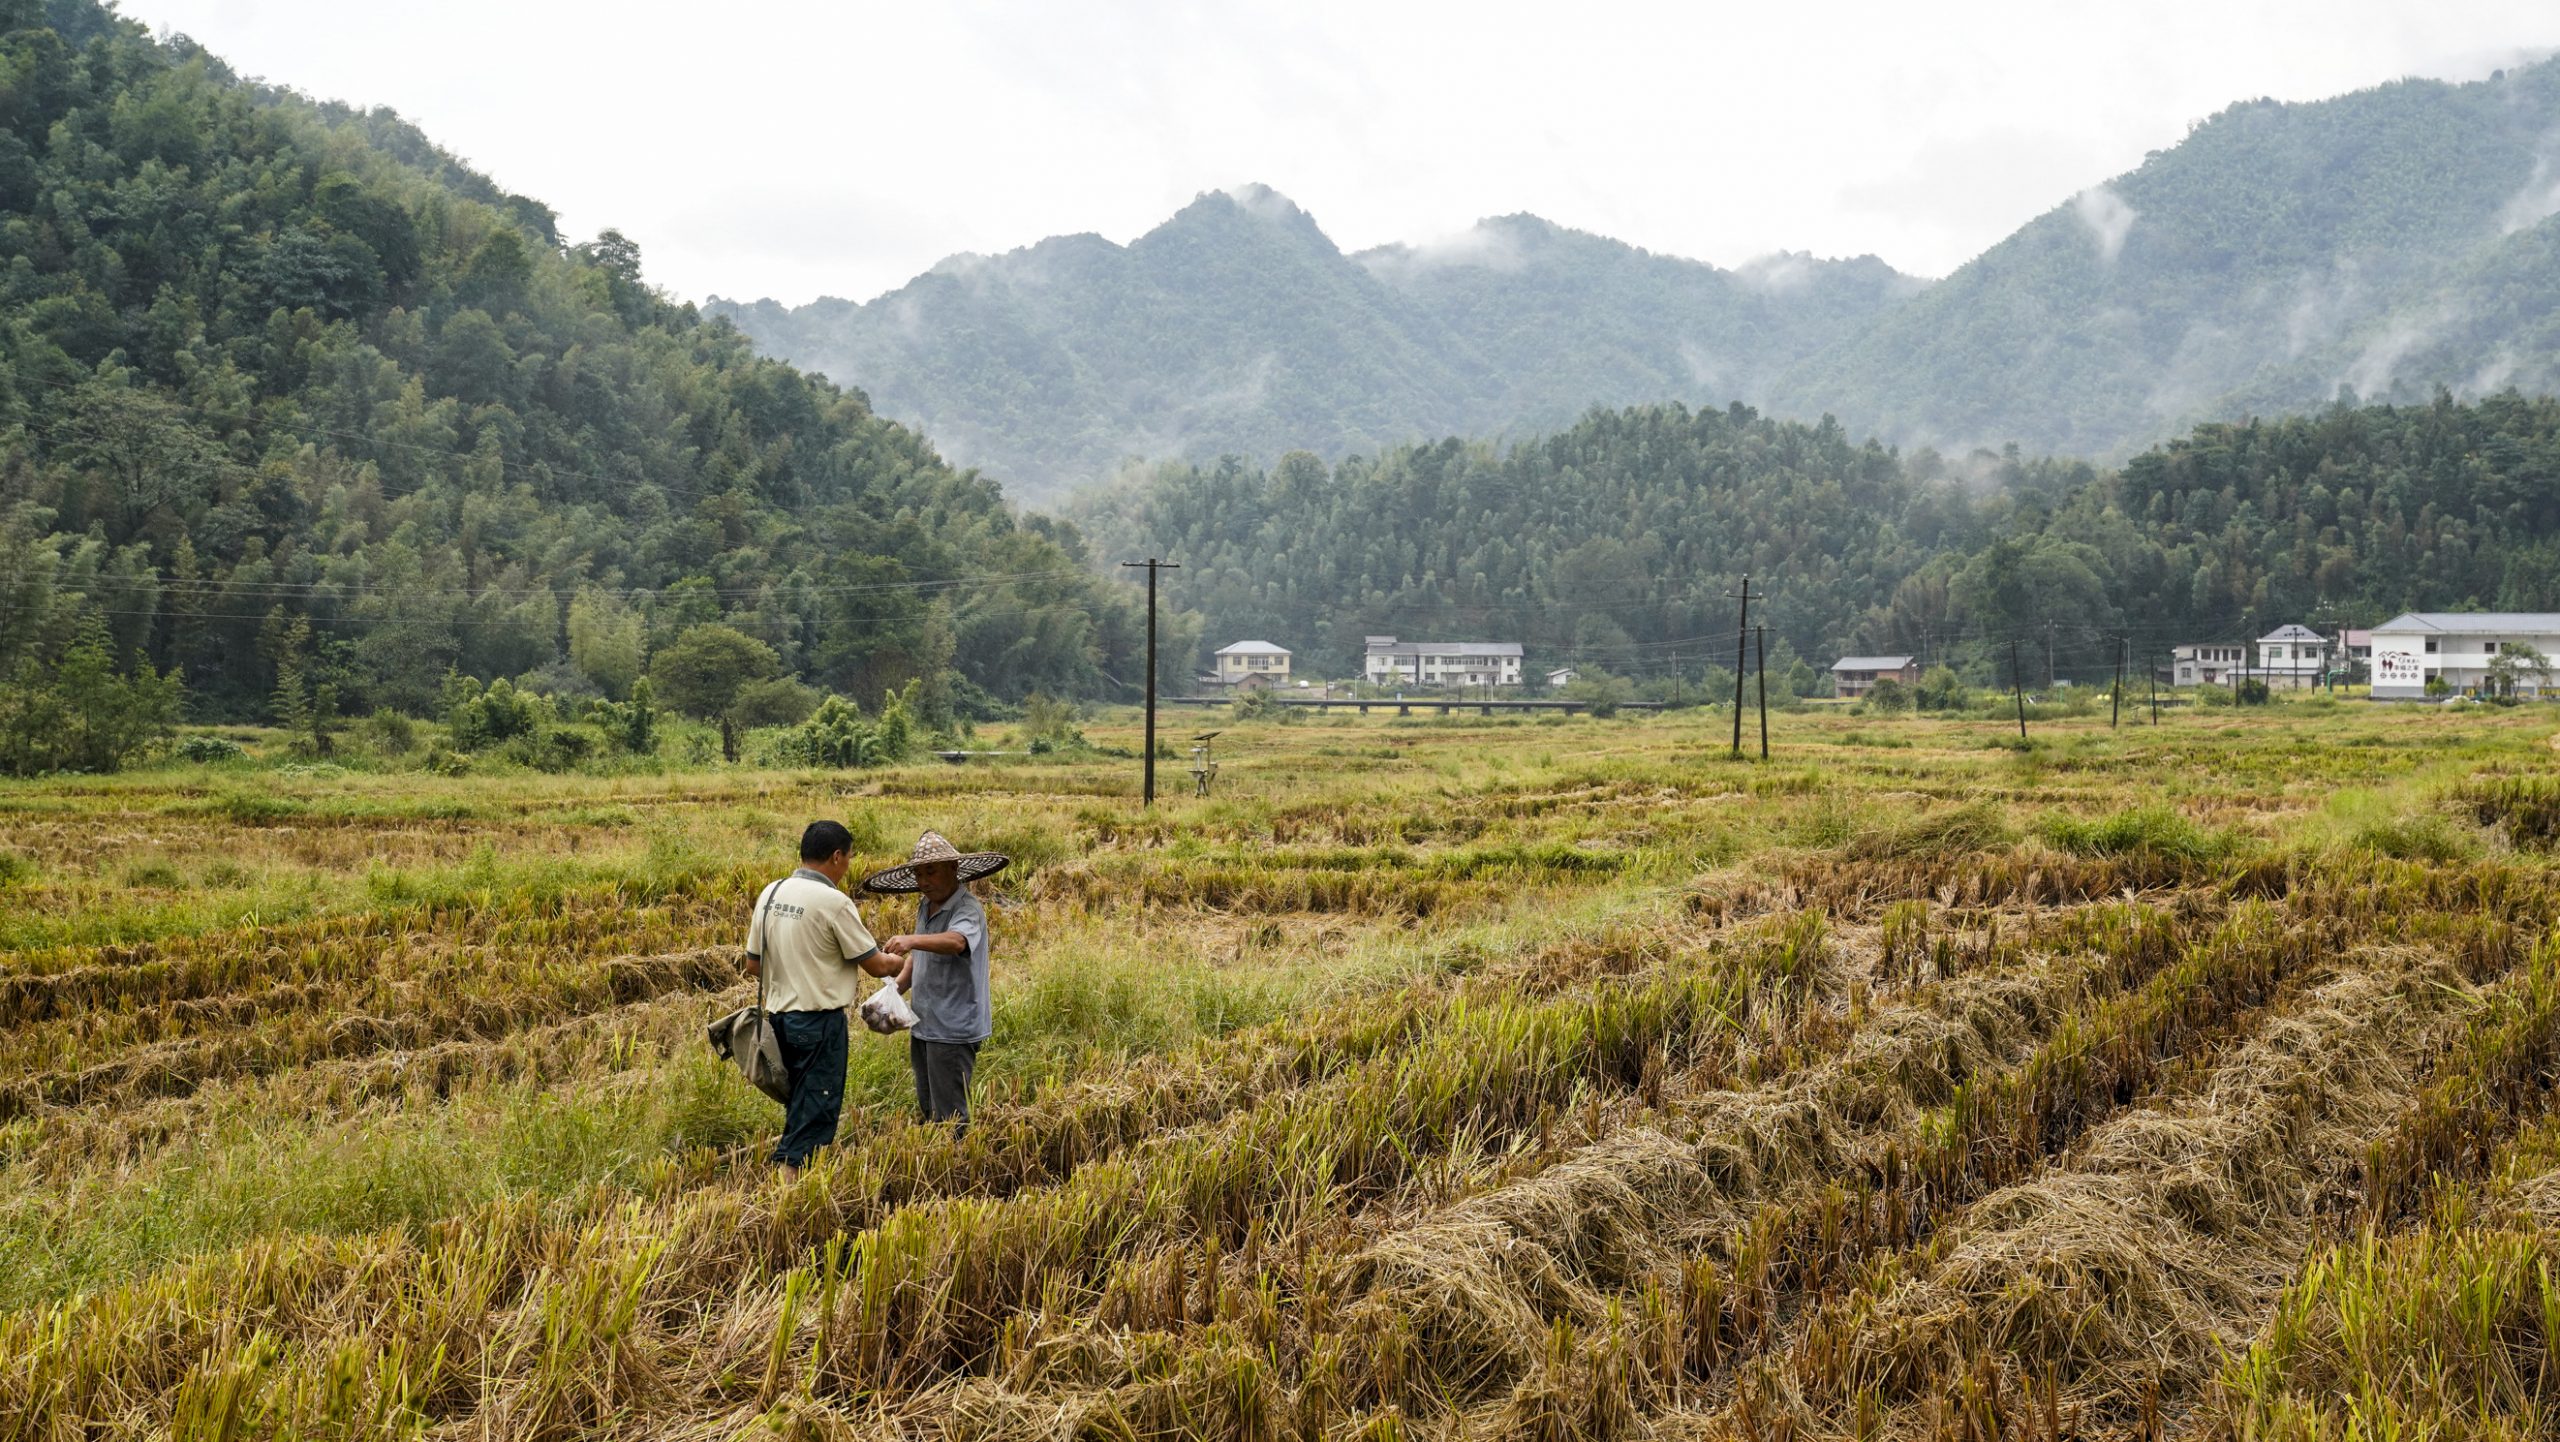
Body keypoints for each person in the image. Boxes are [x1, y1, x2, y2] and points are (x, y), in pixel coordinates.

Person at [745, 820, 895, 1167]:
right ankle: (788, 1183)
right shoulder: (834, 902)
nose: (848, 866)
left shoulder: (771, 893)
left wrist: (794, 970)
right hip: (819, 1024)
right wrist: (901, 960)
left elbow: (753, 965)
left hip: (778, 1021)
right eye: (850, 858)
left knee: (799, 1103)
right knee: (815, 1111)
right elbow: (876, 966)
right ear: (837, 856)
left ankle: (790, 1174)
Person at [861, 830, 1007, 1134]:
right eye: (918, 874)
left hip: (952, 1028)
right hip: (925, 1022)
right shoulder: (925, 906)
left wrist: (911, 939)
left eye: (931, 871)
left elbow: (956, 942)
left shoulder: (966, 908)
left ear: (953, 868)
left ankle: (956, 1157)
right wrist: (895, 990)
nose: (923, 881)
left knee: (950, 1115)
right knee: (929, 1105)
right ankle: (936, 1147)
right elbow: (919, 956)